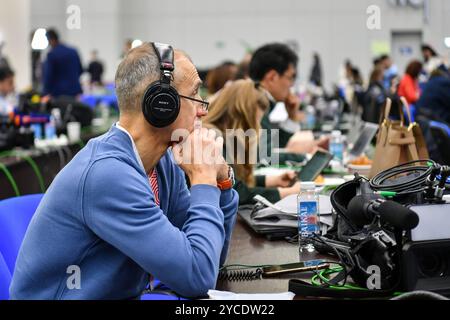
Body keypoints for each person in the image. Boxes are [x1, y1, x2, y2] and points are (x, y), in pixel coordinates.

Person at [10, 42, 238, 299]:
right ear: (161, 105)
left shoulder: (162, 162)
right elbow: (197, 276)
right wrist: (203, 179)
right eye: (195, 95)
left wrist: (222, 181)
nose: (202, 109)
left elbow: (208, 258)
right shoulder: (106, 174)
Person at [205, 79, 300, 205]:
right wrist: (287, 193)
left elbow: (234, 180)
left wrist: (272, 180)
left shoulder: (222, 135)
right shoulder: (211, 138)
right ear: (242, 117)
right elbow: (236, 191)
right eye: (254, 123)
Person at [249, 43, 327, 163]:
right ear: (272, 77)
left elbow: (272, 146)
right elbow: (264, 157)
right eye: (290, 78)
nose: (291, 85)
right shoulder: (253, 102)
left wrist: (292, 117)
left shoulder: (260, 98)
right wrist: (306, 157)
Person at [42, 29, 83, 99]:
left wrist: (45, 93)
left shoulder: (52, 54)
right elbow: (81, 70)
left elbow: (48, 76)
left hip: (59, 94)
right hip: (75, 92)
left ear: (50, 40)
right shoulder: (73, 51)